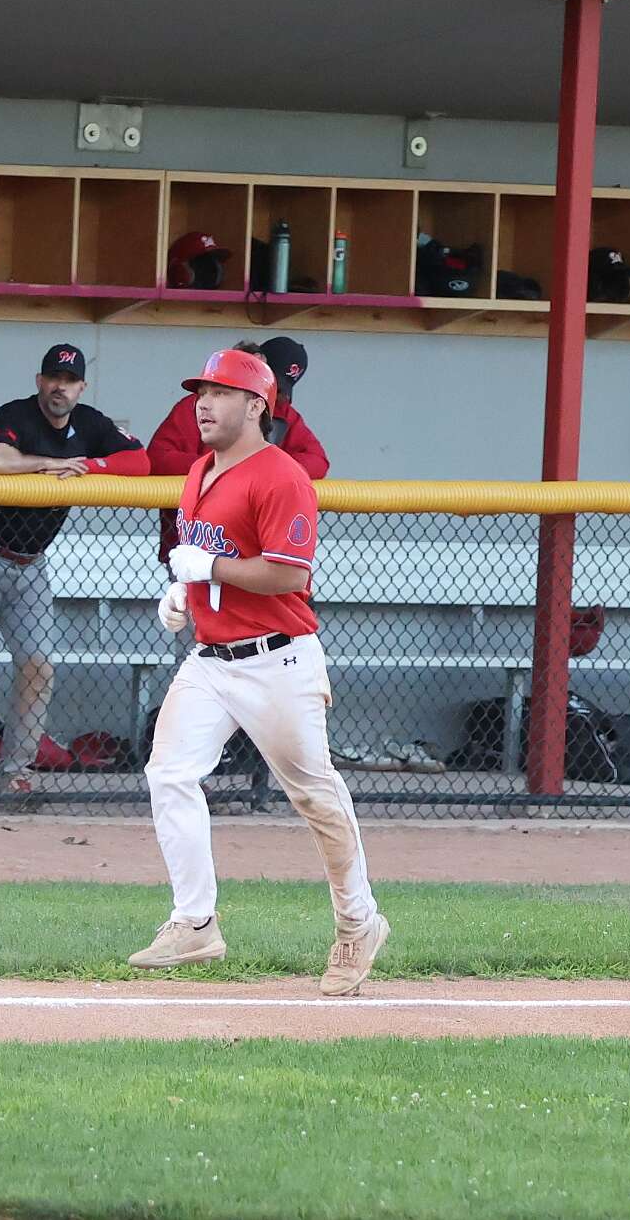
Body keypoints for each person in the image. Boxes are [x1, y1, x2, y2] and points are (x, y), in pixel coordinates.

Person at [126, 346, 388, 997]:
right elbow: (205, 558)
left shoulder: (281, 475)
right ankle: (195, 922)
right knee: (169, 772)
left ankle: (359, 924)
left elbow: (288, 574)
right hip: (212, 660)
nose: (203, 404)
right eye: (200, 393)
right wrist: (184, 593)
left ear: (255, 406)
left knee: (314, 796)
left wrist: (209, 569)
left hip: (279, 659)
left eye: (219, 392)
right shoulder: (198, 471)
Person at [0, 342, 149, 796]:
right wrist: (49, 464)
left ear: (81, 387)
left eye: (69, 381)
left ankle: (16, 772)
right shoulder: (17, 414)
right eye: (53, 378)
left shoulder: (90, 423)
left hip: (31, 564)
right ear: (39, 381)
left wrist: (88, 466)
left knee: (39, 666)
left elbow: (140, 462)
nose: (59, 388)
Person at [146, 335, 327, 566]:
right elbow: (157, 458)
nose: (273, 394)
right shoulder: (199, 419)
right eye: (205, 393)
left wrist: (258, 469)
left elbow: (318, 460)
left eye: (278, 388)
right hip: (190, 549)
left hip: (252, 557)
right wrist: (221, 468)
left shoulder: (283, 419)